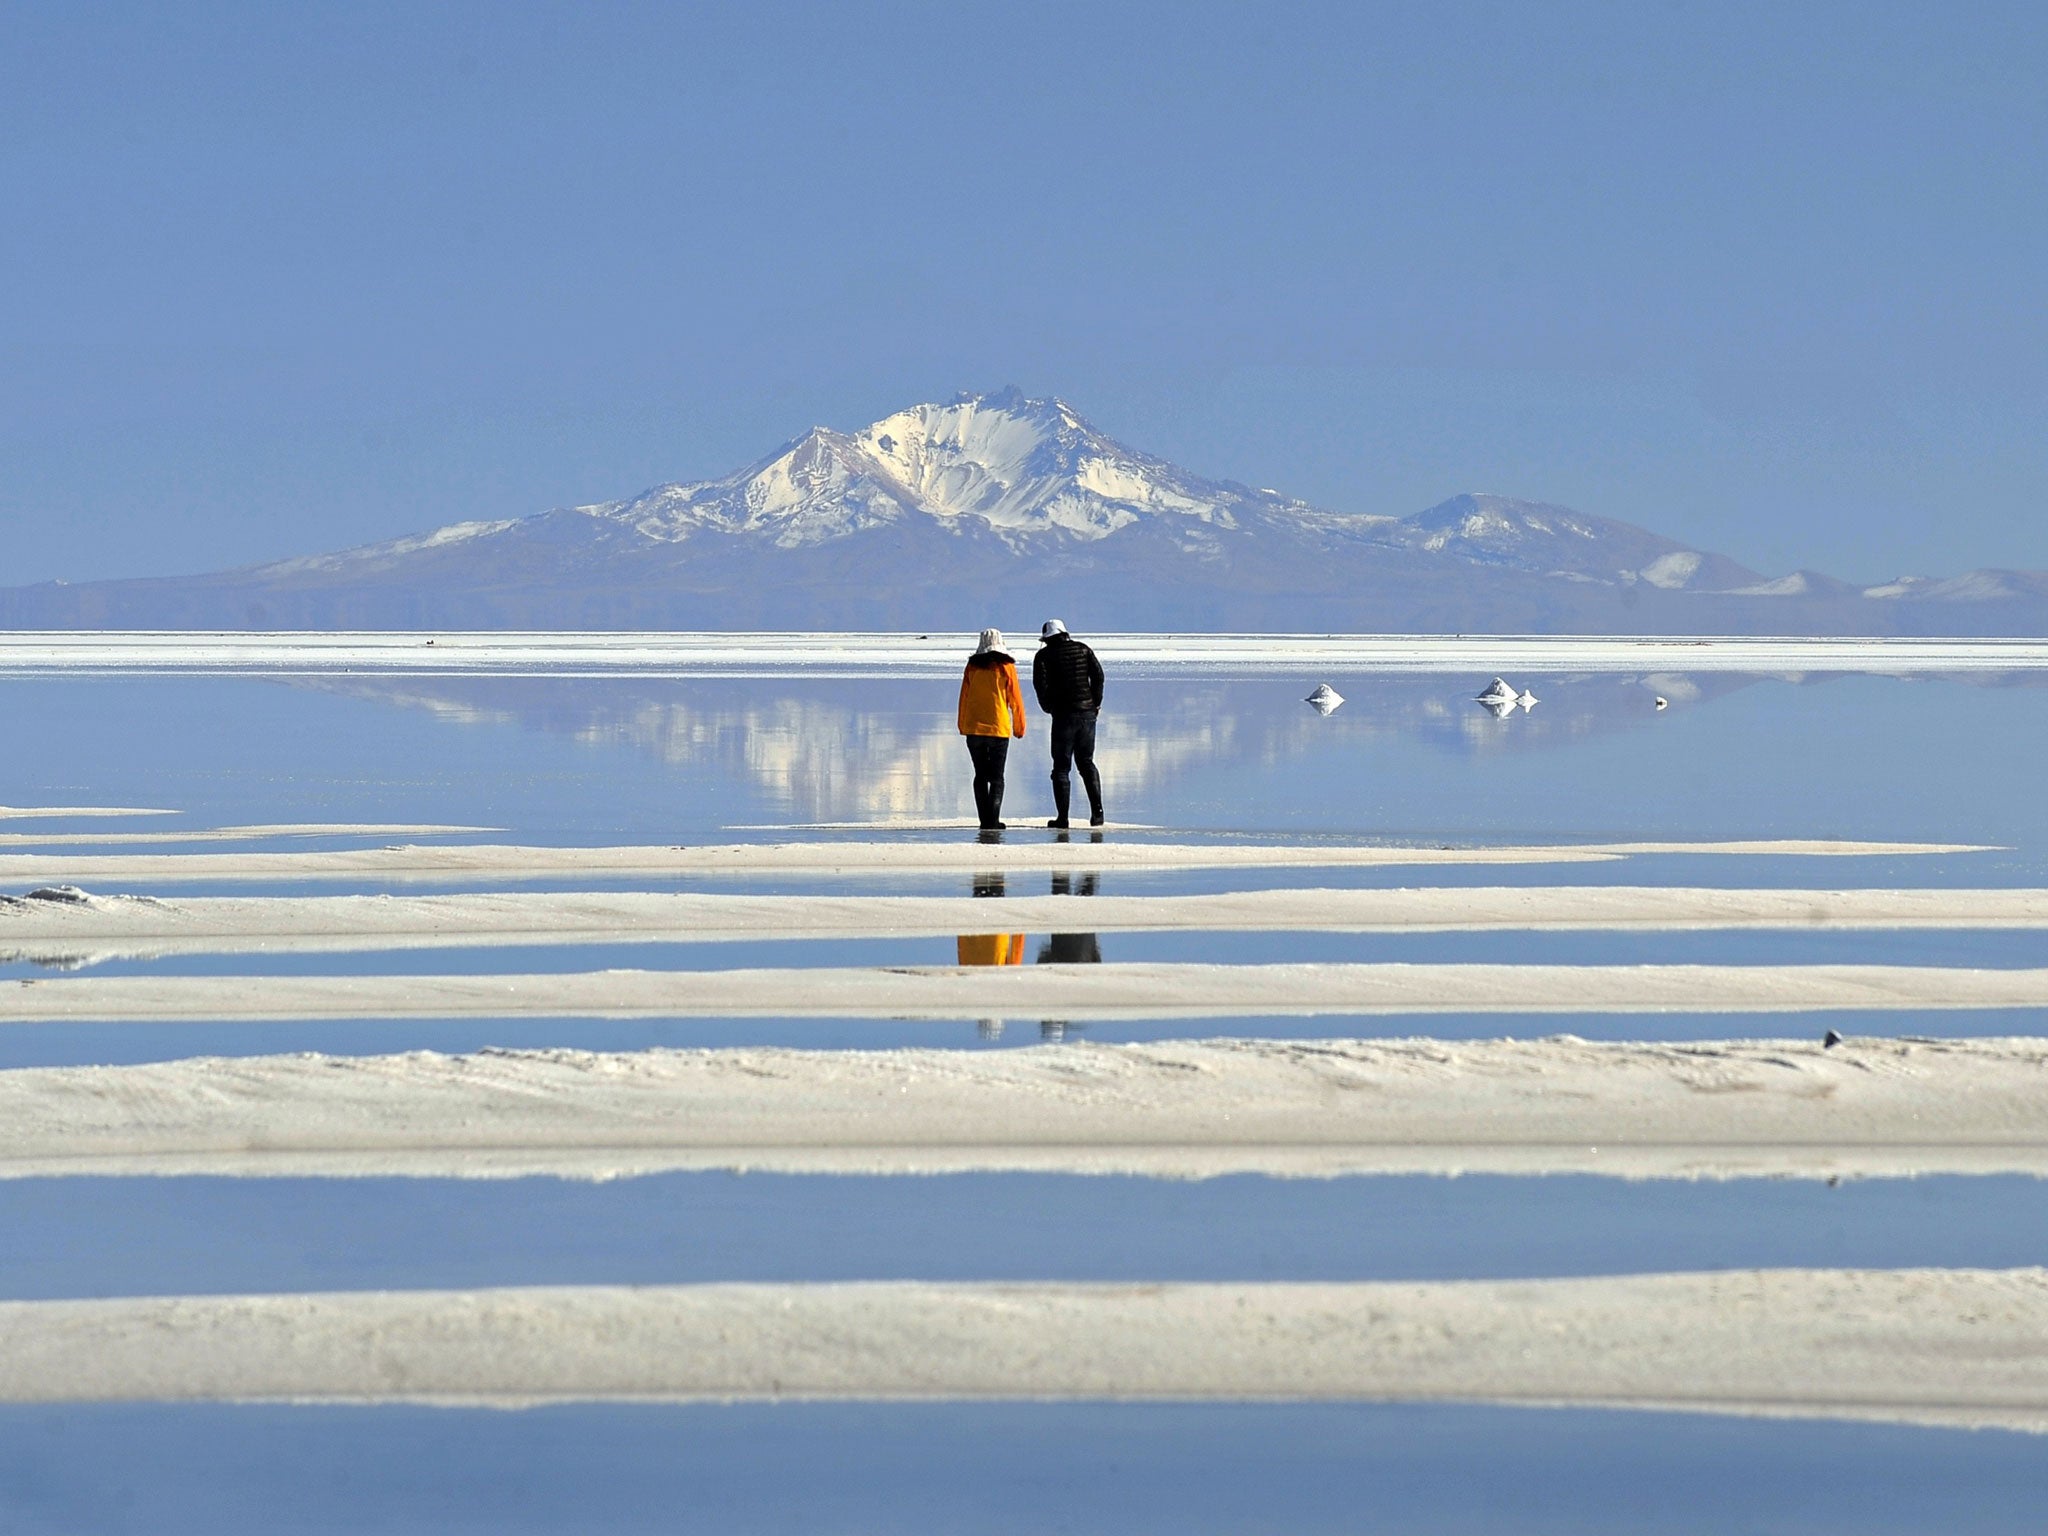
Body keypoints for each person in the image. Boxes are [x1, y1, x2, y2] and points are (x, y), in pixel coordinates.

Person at [1031, 619, 1104, 828]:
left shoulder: (1043, 656)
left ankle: (1062, 818)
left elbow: (1040, 685)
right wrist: (1095, 703)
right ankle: (1097, 813)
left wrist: (1048, 707)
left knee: (1061, 768)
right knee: (1087, 762)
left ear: (1047, 638)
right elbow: (1098, 676)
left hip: (1063, 716)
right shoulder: (1083, 649)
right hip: (1087, 714)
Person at [957, 627, 1025, 831]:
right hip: (999, 729)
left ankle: (984, 820)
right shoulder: (1006, 666)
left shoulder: (972, 666)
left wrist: (962, 724)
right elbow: (1016, 699)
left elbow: (964, 697)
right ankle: (993, 821)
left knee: (980, 775)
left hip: (974, 729)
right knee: (996, 777)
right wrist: (1019, 727)